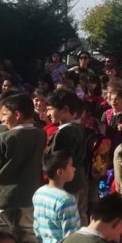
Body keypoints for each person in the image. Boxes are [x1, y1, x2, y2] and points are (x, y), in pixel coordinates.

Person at [0, 91, 47, 243]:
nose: (3, 119)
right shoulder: (40, 134)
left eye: (5, 114)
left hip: (3, 196)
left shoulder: (4, 138)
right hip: (29, 194)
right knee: (29, 237)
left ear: (17, 114)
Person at [33, 151, 81, 243]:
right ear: (60, 172)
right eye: (71, 165)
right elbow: (70, 235)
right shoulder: (66, 200)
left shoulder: (39, 192)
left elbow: (36, 226)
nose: (74, 169)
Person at [45, 89, 88, 223]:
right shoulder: (78, 128)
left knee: (69, 219)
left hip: (67, 183)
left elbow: (59, 160)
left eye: (50, 109)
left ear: (65, 109)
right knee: (79, 215)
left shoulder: (64, 133)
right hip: (79, 179)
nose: (48, 113)